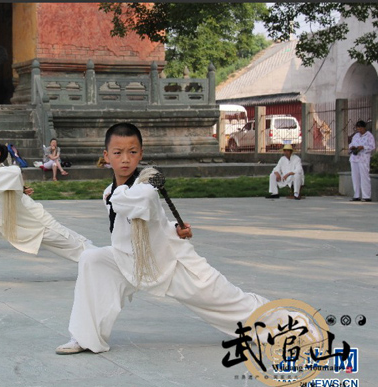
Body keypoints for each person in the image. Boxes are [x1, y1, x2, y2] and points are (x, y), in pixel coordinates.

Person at [55, 122, 269, 355]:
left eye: (132, 152)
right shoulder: (109, 192)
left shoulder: (144, 187)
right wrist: (174, 227)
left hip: (169, 262)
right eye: (118, 153)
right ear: (106, 156)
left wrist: (171, 234)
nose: (125, 159)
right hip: (129, 260)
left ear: (141, 154)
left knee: (225, 300)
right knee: (92, 260)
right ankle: (85, 338)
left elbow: (136, 202)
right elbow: (150, 220)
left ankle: (288, 327)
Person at [0, 136, 93, 287]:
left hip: (36, 223)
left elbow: (14, 172)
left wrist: (7, 183)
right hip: (8, 224)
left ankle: (106, 261)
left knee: (74, 245)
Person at [349, 120, 375, 202]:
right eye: (358, 128)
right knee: (355, 177)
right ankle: (356, 195)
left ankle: (366, 196)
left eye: (360, 128)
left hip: (363, 158)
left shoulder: (369, 136)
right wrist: (352, 147)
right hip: (354, 158)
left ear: (364, 127)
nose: (359, 130)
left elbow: (372, 146)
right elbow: (351, 144)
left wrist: (363, 147)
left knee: (364, 176)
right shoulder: (356, 135)